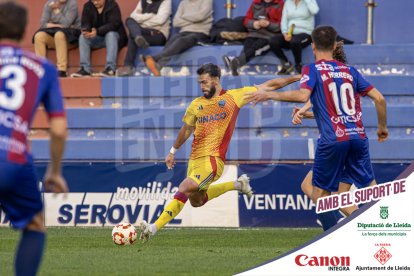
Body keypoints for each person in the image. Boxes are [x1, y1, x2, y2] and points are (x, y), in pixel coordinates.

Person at [245, 25, 388, 230]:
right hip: (357, 138)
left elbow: (303, 95)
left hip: (334, 141)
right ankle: (381, 229)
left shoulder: (313, 70)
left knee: (319, 195)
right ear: (334, 44)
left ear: (312, 46)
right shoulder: (350, 72)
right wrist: (382, 127)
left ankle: (335, 238)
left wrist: (269, 94)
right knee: (368, 191)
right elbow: (379, 99)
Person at [138, 63, 257, 242]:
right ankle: (238, 185)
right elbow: (186, 130)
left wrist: (297, 79)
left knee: (185, 188)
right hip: (195, 159)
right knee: (196, 201)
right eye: (200, 83)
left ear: (216, 80)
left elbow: (267, 87)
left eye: (205, 82)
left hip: (213, 161)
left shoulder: (232, 97)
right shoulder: (196, 104)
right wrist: (172, 151)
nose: (202, 86)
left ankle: (153, 228)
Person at [0, 2, 68, 275]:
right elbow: (59, 129)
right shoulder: (44, 68)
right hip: (14, 159)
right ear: (24, 30)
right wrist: (54, 171)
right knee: (35, 224)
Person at [143, 0, 213, 77]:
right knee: (174, 38)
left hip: (200, 32)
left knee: (182, 40)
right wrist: (194, 20)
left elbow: (201, 16)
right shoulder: (183, 3)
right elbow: (176, 22)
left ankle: (156, 57)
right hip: (184, 31)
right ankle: (159, 66)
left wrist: (184, 16)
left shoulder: (206, 1)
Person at [222, 0, 284, 76]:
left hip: (269, 36)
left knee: (255, 49)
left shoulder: (280, 4)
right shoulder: (255, 2)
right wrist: (255, 23)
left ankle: (235, 61)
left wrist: (268, 24)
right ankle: (235, 64)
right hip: (253, 34)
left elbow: (281, 25)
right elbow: (246, 21)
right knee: (247, 48)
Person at [71, 0, 127, 78]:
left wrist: (98, 31)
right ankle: (85, 69)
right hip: (98, 38)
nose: (95, 2)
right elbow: (85, 22)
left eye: (97, 0)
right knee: (83, 37)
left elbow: (114, 24)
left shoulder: (112, 5)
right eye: (93, 0)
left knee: (110, 34)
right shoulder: (88, 6)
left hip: (114, 38)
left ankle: (110, 68)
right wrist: (86, 30)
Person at [118, 0, 171, 77]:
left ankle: (128, 66)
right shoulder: (143, 1)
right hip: (143, 31)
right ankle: (138, 37)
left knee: (132, 35)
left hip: (157, 33)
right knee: (129, 20)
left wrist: (142, 20)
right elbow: (133, 16)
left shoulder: (166, 1)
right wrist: (151, 15)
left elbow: (160, 20)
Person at [33, 0, 81, 78]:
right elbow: (42, 24)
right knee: (39, 36)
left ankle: (62, 70)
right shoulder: (49, 4)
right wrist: (59, 26)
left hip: (71, 39)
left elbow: (66, 24)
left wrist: (56, 10)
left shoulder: (72, 3)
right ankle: (41, 68)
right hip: (56, 38)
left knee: (59, 34)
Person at [270, 0, 319, 75]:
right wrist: (285, 33)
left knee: (295, 41)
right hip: (290, 33)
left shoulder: (309, 1)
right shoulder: (288, 2)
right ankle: (286, 64)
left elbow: (315, 11)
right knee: (273, 41)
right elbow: (284, 19)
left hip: (306, 33)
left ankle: (298, 65)